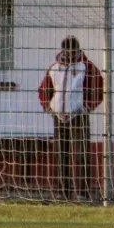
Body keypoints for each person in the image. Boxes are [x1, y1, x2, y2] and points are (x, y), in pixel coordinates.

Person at [38, 35, 104, 200]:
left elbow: (98, 88)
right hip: (59, 117)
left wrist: (87, 107)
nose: (69, 55)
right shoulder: (54, 68)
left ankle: (82, 192)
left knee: (81, 154)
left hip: (79, 116)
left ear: (77, 50)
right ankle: (63, 192)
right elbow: (44, 89)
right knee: (61, 154)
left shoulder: (87, 67)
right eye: (66, 52)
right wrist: (48, 106)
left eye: (72, 52)